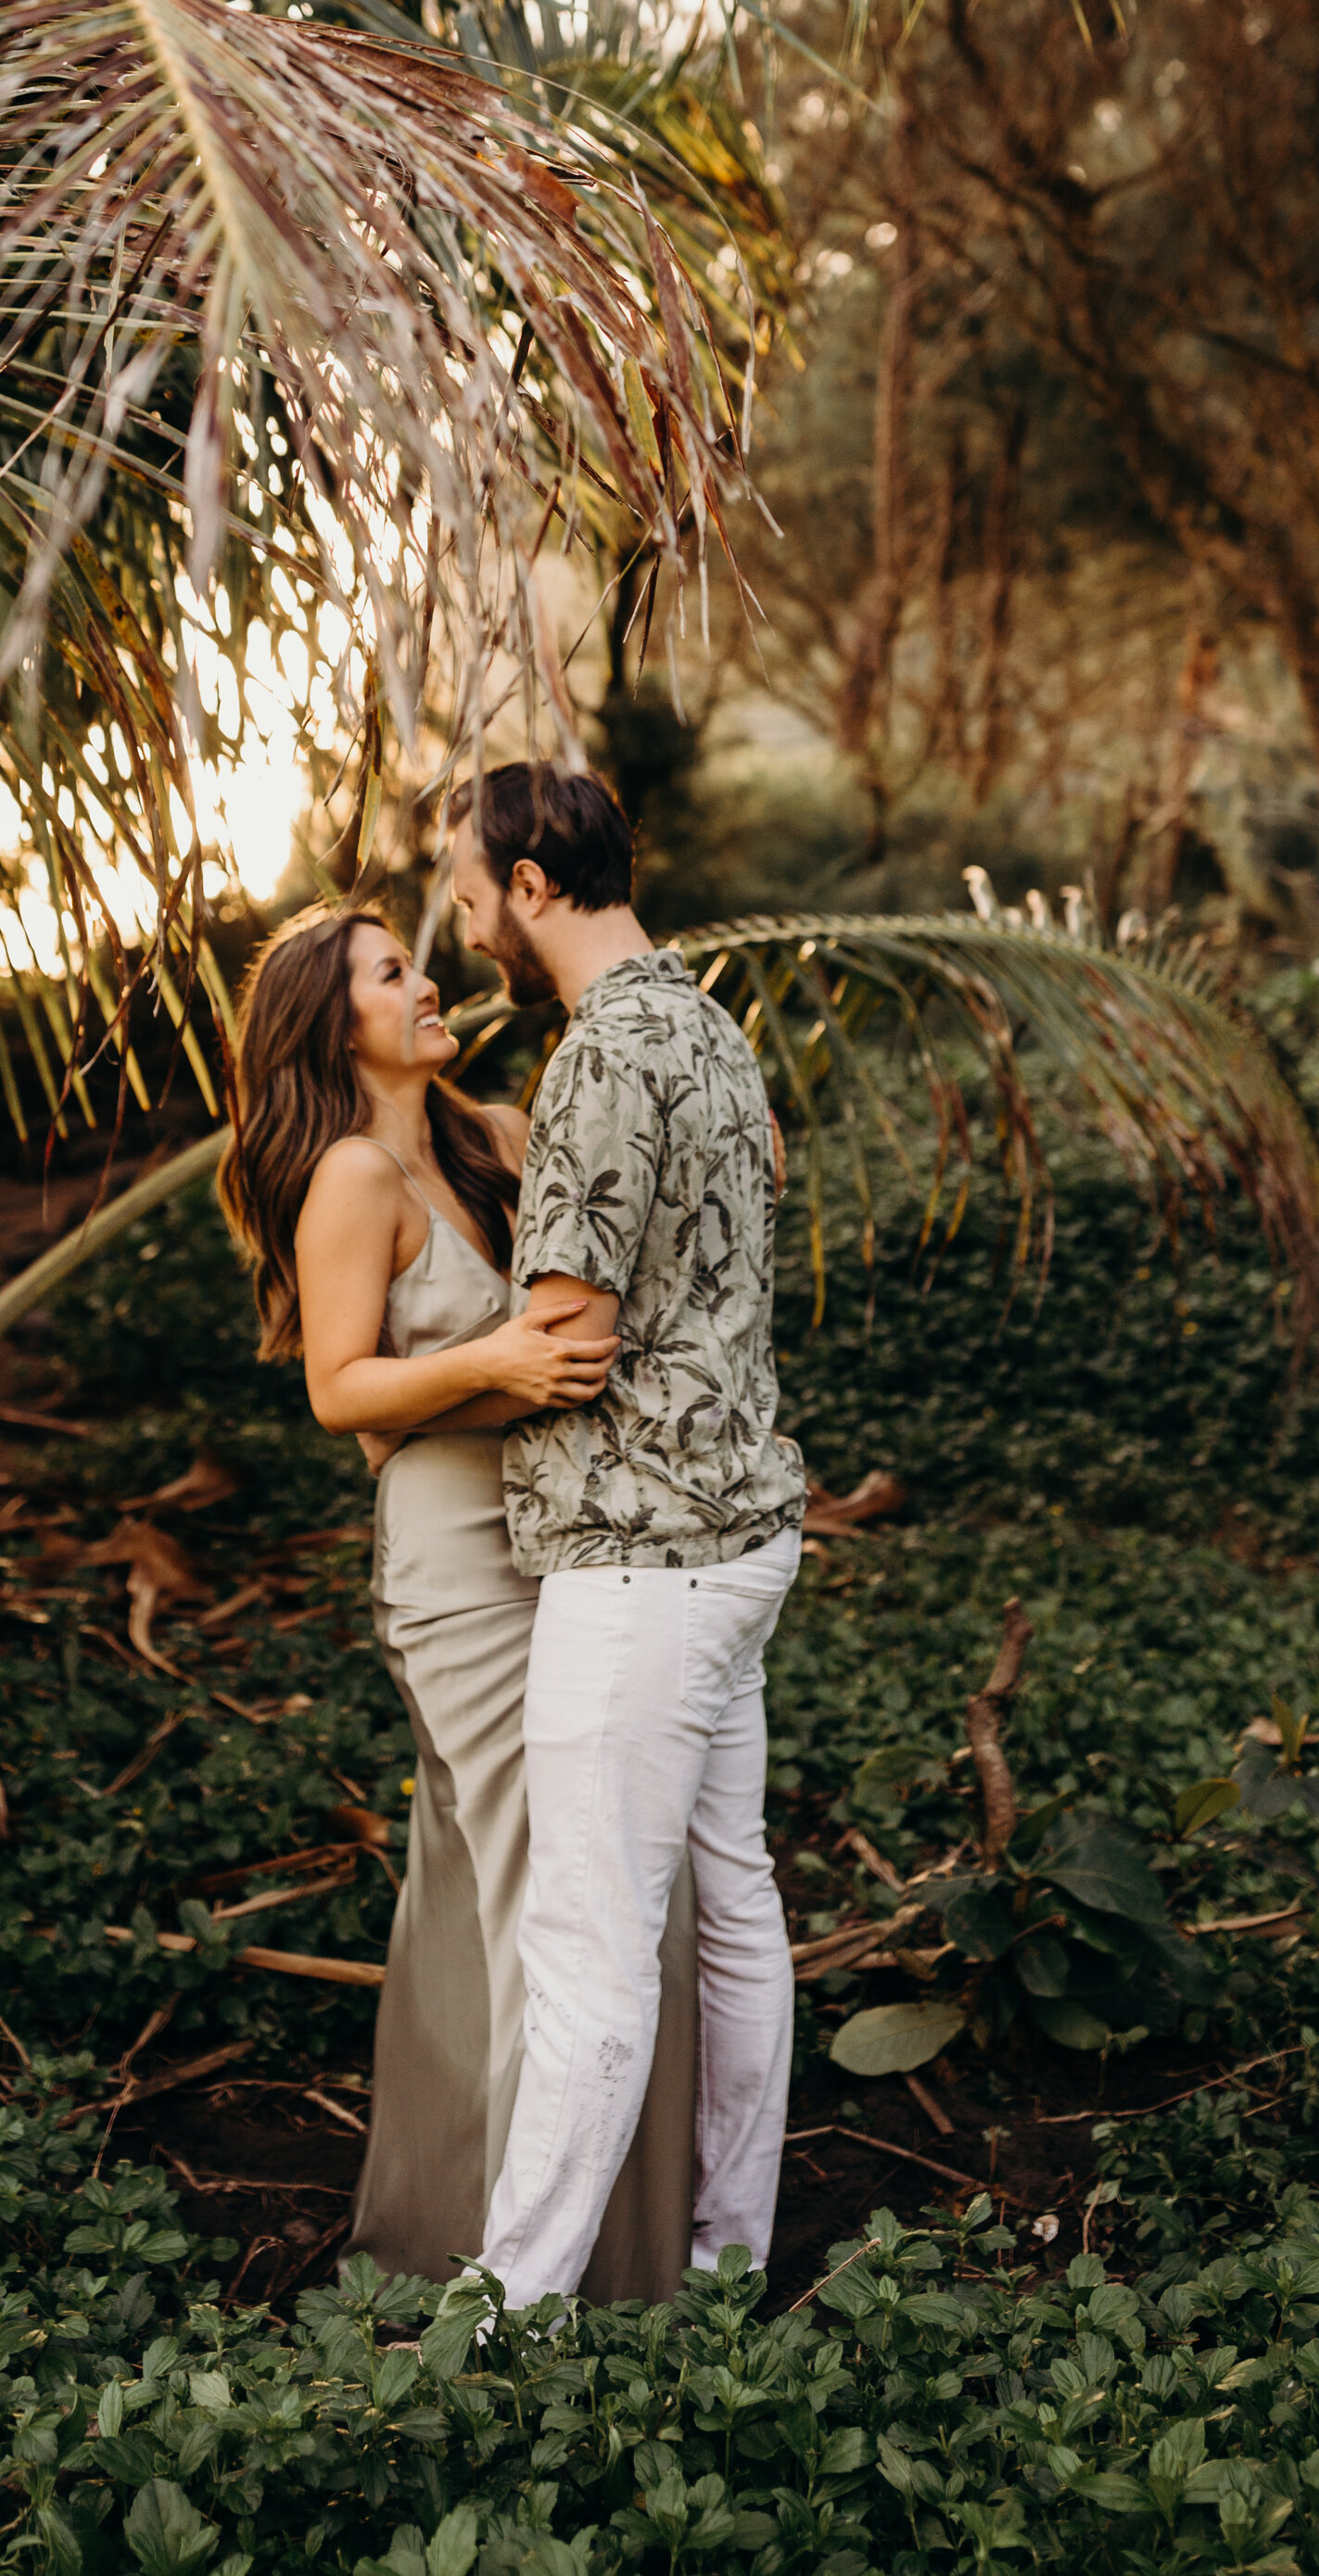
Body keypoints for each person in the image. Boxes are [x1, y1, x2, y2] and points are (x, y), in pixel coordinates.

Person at [218, 905, 700, 2297]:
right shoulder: (354, 1179)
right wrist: (491, 1360)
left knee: (485, 1895)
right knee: (558, 1887)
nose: (428, 981)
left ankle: (445, 2234)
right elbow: (337, 1388)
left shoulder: (488, 1131)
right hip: (458, 1567)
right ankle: (555, 2280)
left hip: (568, 1538)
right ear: (336, 1023)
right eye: (389, 971)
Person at [433, 760, 806, 2303]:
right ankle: (726, 2264)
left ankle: (505, 2325)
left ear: (531, 884)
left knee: (589, 1960)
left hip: (642, 1564)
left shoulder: (598, 1061)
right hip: (744, 1539)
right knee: (738, 1910)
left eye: (467, 891)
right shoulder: (712, 1025)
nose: (462, 925)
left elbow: (565, 1335)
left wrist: (407, 1385)